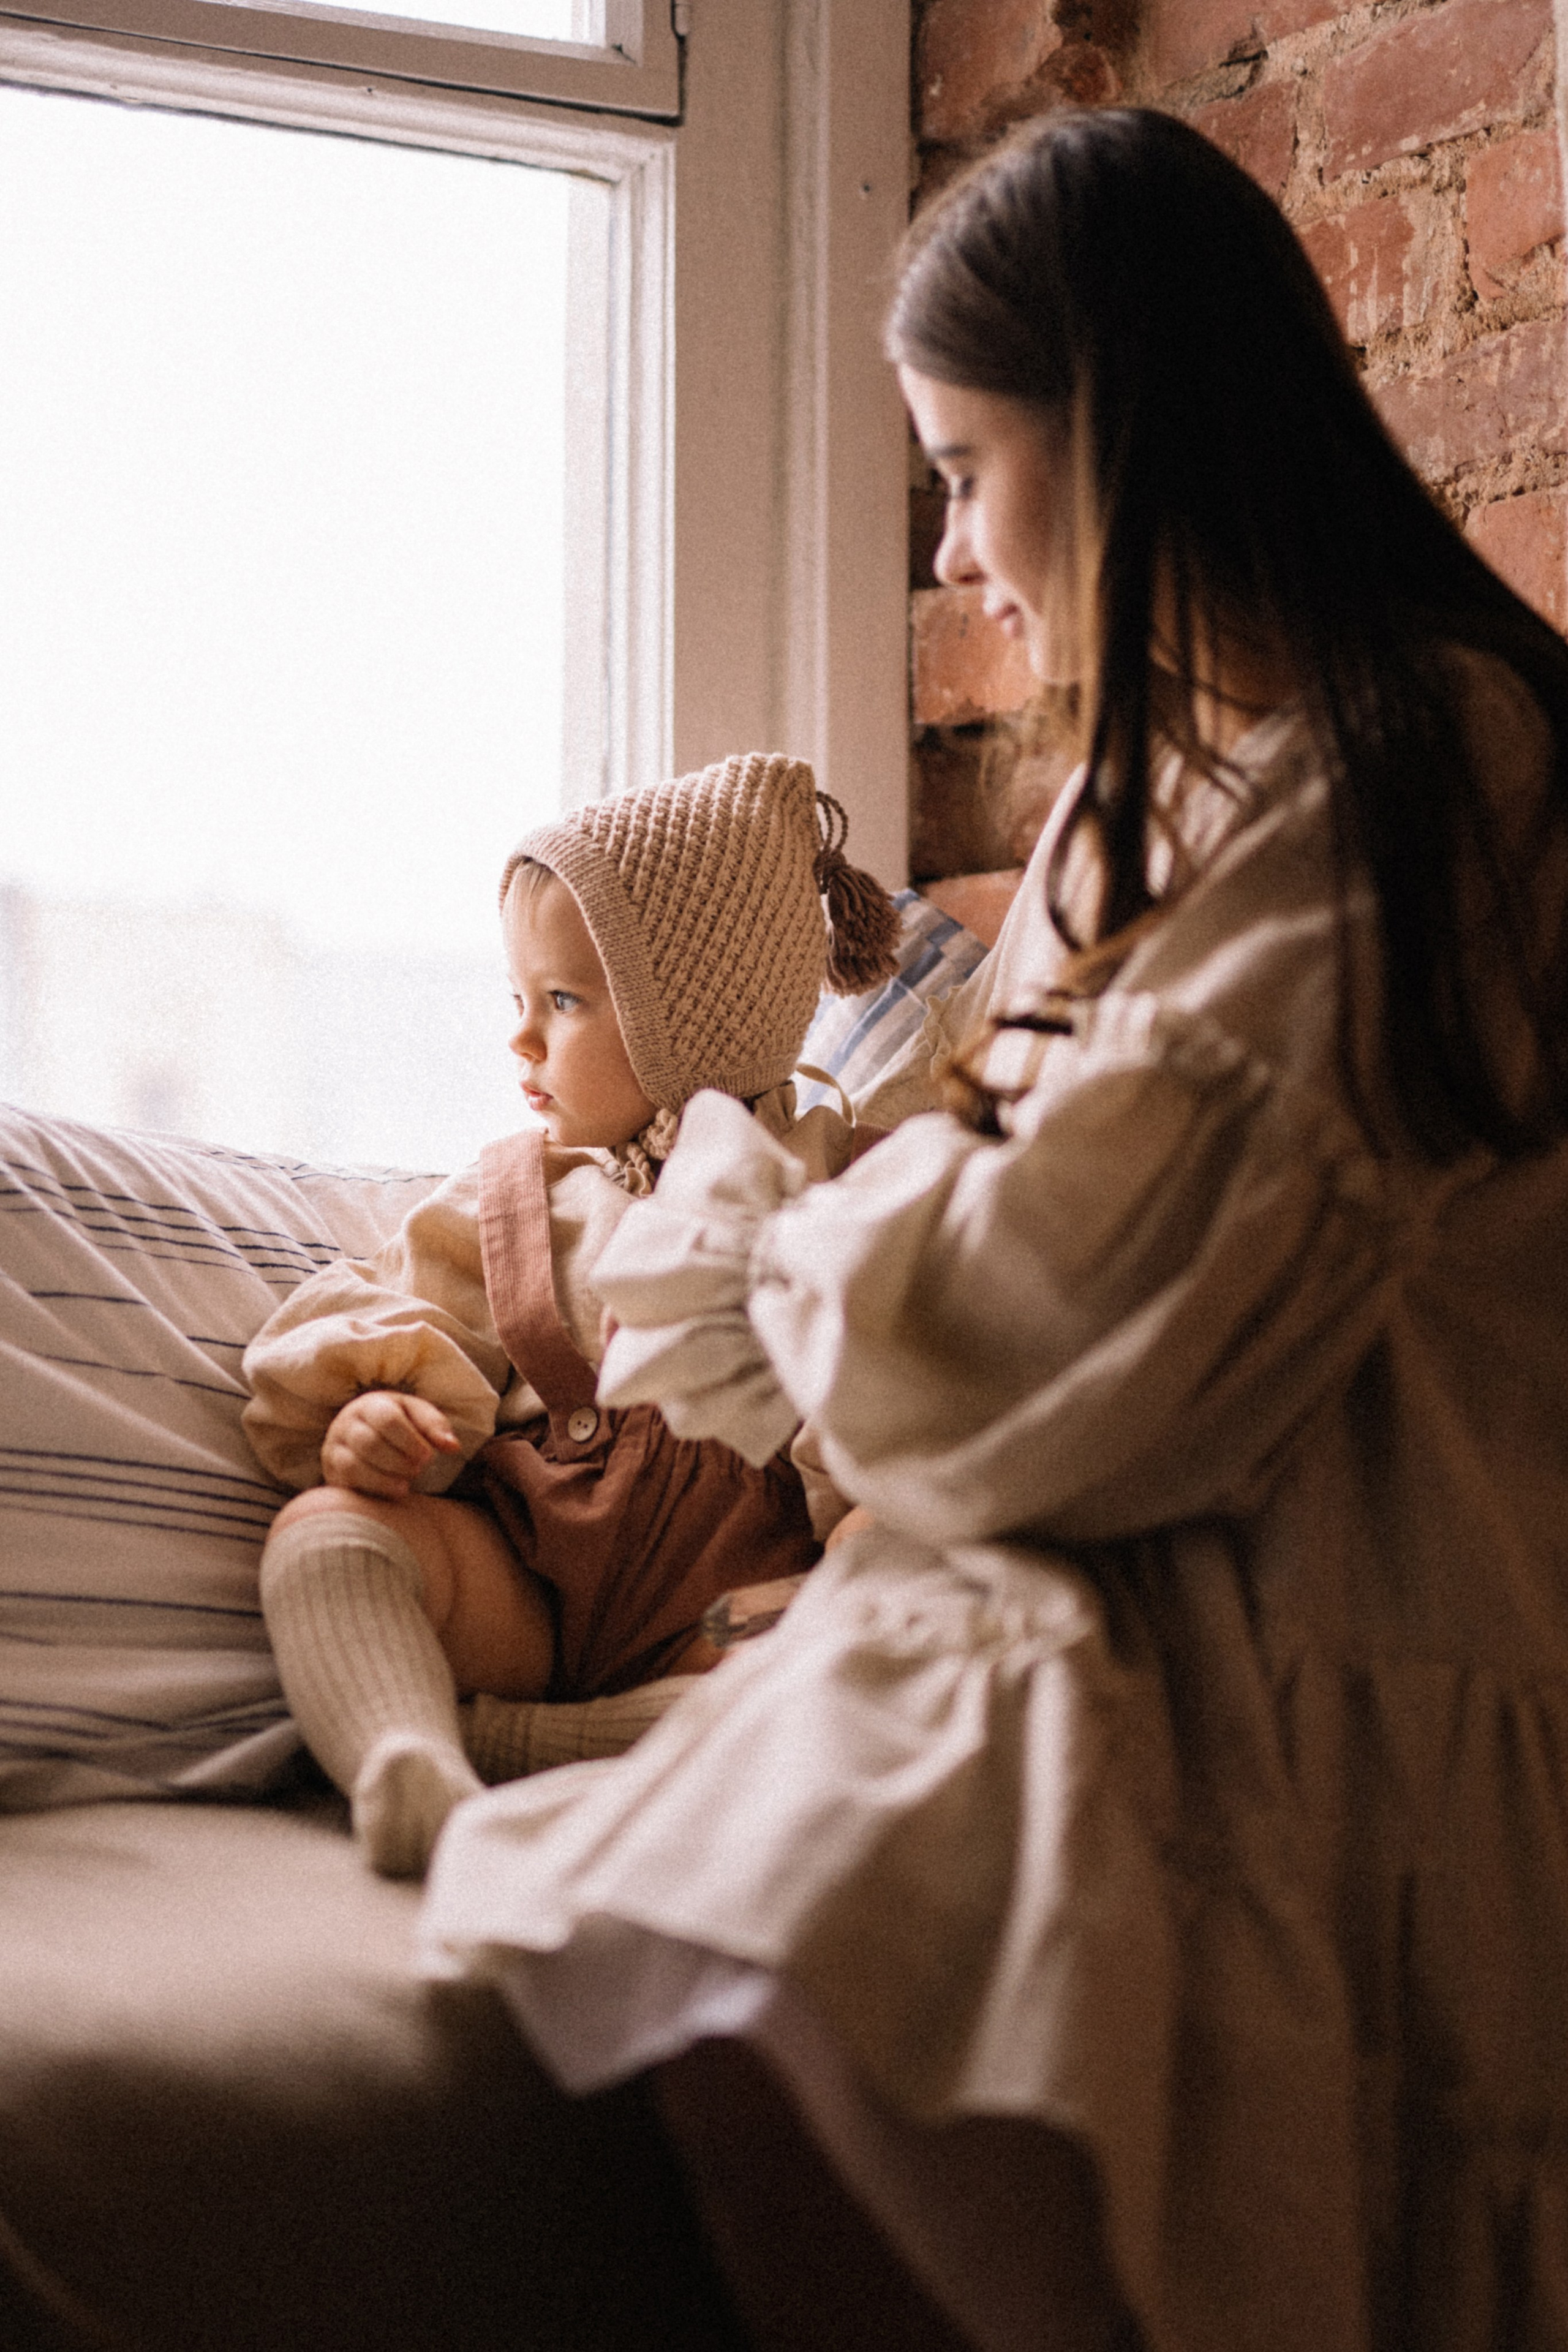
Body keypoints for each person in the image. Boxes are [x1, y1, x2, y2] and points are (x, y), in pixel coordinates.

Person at [417, 107, 1568, 2351]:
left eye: (963, 466)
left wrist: (806, 1240)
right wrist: (876, 1237)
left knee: (778, 1930)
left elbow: (1015, 1357)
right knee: (705, 1986)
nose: (949, 559)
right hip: (1181, 1592)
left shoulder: (1424, 780)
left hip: (1378, 1658)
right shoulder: (1163, 812)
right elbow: (974, 1269)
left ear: (1120, 438)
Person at [241, 750, 897, 1876]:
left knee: (883, 1617)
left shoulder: (840, 1188)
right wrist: (377, 1417)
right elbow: (403, 1331)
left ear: (690, 1015)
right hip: (532, 1600)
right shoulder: (515, 1200)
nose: (523, 1041)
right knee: (327, 1535)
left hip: (737, 1617)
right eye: (518, 1001)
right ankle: (411, 1762)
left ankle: (514, 1746)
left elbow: (894, 1400)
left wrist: (864, 1543)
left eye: (562, 1002)